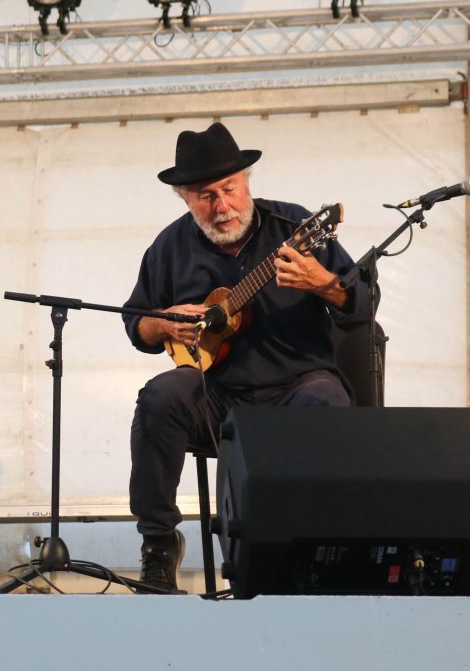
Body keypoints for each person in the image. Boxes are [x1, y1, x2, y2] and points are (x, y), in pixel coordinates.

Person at [122, 122, 373, 592]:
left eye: (229, 189)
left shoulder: (296, 228)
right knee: (159, 395)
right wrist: (164, 322)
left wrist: (325, 284)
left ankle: (312, 546)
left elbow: (362, 308)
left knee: (326, 403)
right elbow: (136, 325)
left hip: (297, 384)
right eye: (205, 196)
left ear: (247, 181)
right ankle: (159, 543)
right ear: (184, 198)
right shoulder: (170, 246)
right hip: (216, 395)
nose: (222, 206)